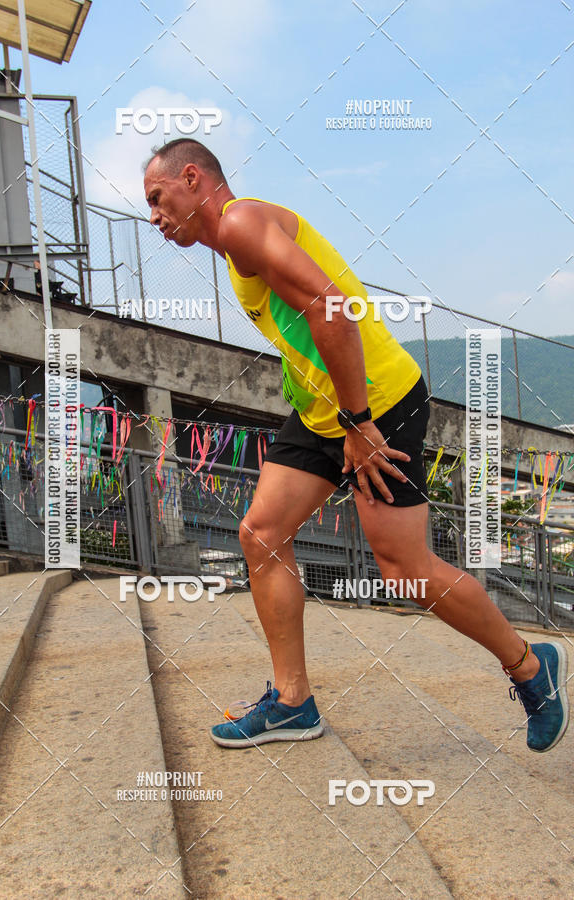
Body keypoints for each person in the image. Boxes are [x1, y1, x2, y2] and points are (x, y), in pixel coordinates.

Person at [143, 138, 569, 753]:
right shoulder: (238, 241)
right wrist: (332, 413)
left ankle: (532, 668)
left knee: (405, 570)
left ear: (192, 178)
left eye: (158, 199)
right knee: (261, 534)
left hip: (376, 406)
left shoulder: (240, 222)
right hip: (327, 413)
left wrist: (359, 422)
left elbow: (333, 309)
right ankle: (293, 703)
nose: (153, 217)